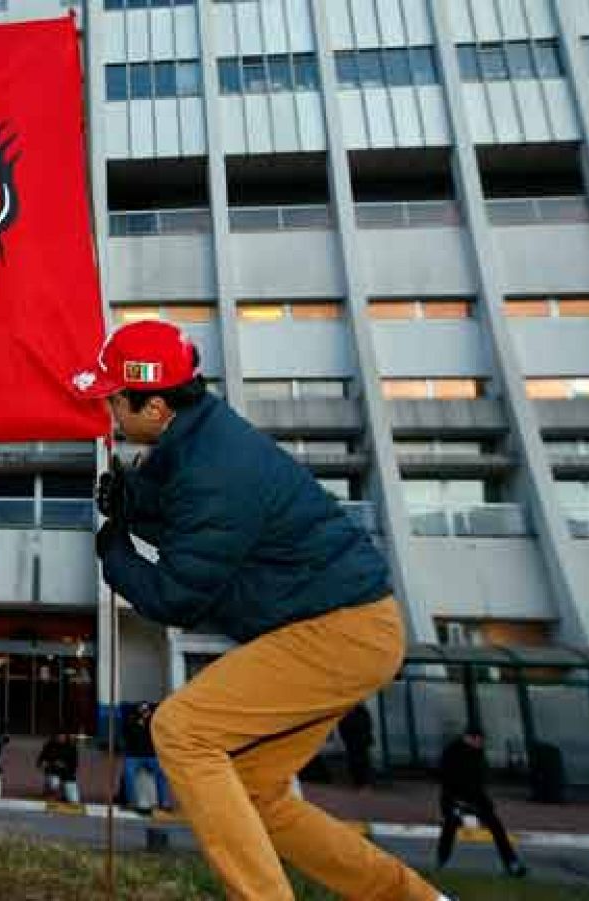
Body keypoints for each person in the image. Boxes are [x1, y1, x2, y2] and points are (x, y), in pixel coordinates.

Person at [86, 321, 443, 901]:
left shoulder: (213, 468)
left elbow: (176, 595)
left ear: (153, 405)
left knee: (183, 731)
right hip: (345, 625)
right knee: (255, 792)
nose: (108, 410)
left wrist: (115, 553)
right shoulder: (196, 443)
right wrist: (130, 502)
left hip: (338, 631)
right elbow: (191, 520)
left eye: (113, 399)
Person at [437, 726, 527, 878]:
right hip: (455, 800)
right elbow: (448, 780)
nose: (480, 743)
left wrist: (485, 804)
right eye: (478, 740)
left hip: (476, 800)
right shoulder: (452, 753)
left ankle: (511, 863)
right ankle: (441, 859)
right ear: (469, 738)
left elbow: (478, 782)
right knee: (450, 826)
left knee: (496, 827)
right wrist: (456, 802)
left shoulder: (477, 754)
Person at [119, 702, 170, 811]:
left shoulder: (154, 722)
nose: (144, 713)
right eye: (142, 711)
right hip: (134, 755)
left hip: (152, 755)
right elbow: (128, 734)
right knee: (128, 774)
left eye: (146, 711)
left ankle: (164, 802)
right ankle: (132, 802)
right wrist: (139, 723)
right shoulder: (132, 720)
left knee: (162, 773)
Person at [340, 703, 376, 790]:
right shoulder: (359, 711)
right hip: (354, 741)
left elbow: (368, 725)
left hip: (359, 741)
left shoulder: (359, 711)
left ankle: (364, 783)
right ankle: (360, 782)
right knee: (358, 761)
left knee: (361, 761)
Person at [37, 732, 79, 801]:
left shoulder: (72, 748)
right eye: (59, 736)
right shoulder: (49, 746)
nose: (60, 737)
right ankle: (50, 794)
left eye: (63, 736)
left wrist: (64, 766)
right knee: (54, 783)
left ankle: (64, 795)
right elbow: (40, 761)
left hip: (67, 776)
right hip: (53, 772)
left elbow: (74, 765)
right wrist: (49, 763)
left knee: (74, 800)